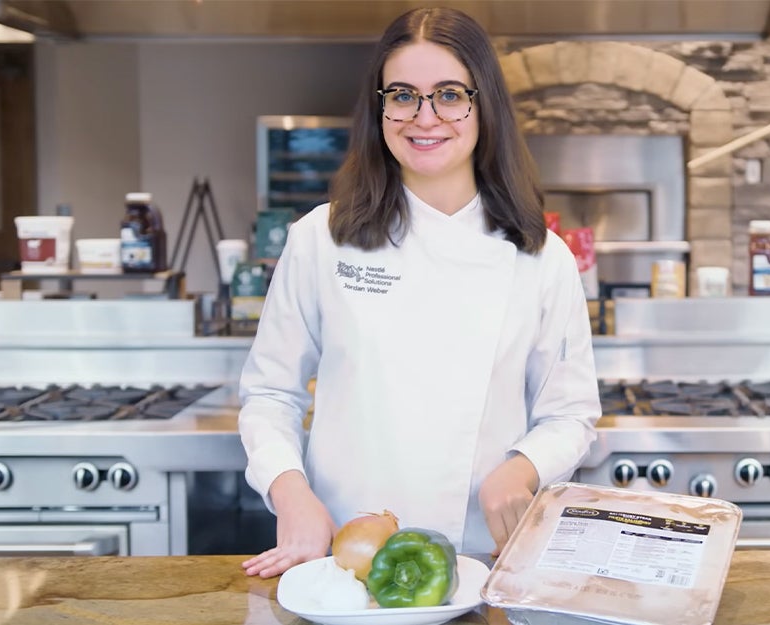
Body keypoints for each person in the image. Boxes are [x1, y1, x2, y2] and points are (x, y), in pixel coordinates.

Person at [238, 6, 601, 578]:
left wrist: (524, 467)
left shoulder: (541, 257)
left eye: (450, 95)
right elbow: (270, 394)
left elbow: (571, 415)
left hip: (481, 557)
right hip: (346, 556)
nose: (424, 117)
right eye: (403, 95)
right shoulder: (321, 239)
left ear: (484, 105)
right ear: (379, 107)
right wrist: (290, 491)